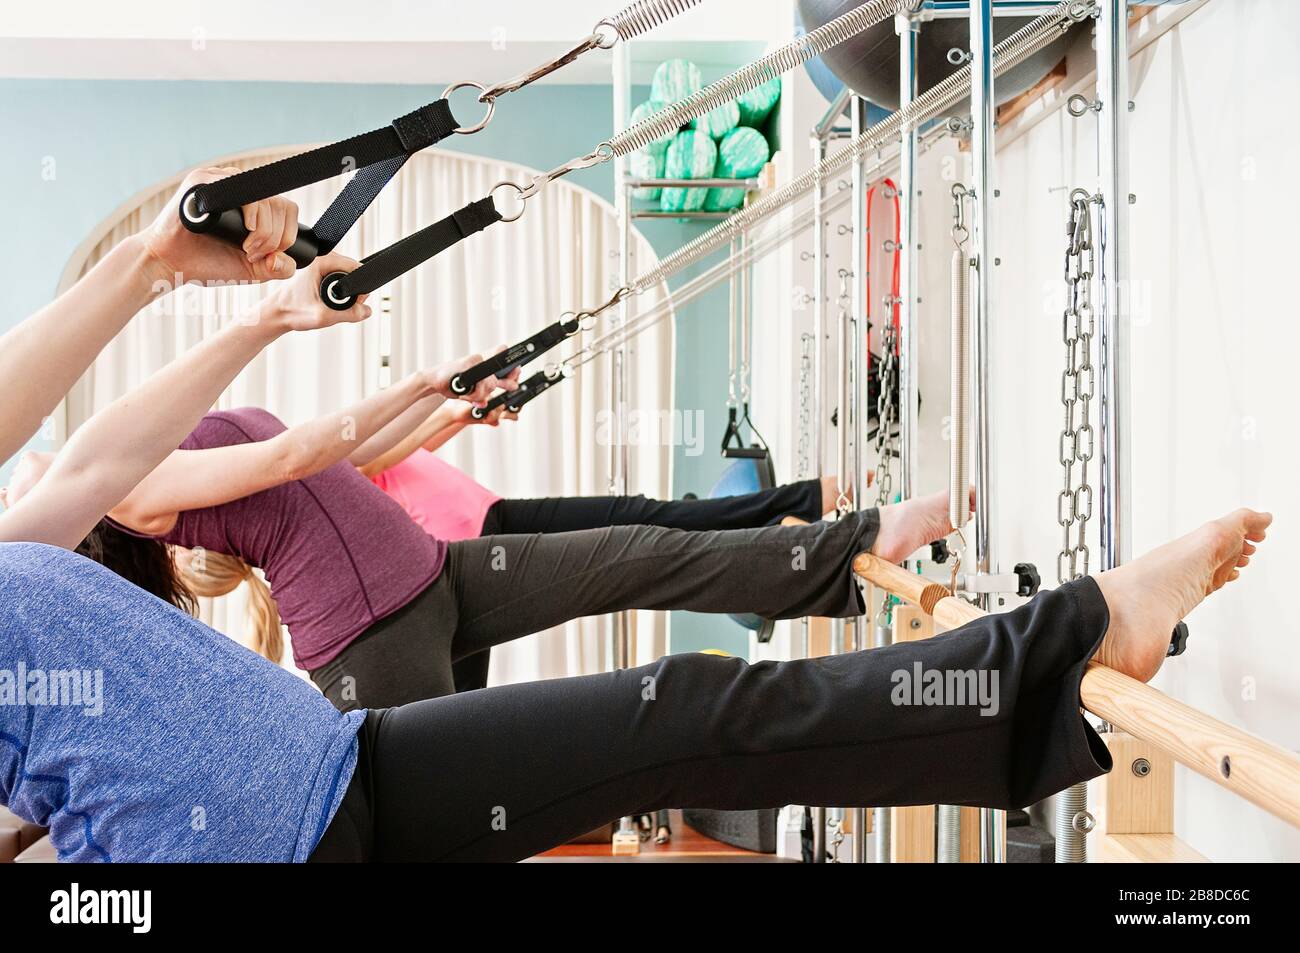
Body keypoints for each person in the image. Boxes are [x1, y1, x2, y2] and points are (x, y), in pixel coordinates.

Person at [0, 507, 1270, 861]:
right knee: (691, 714)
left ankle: (1082, 632)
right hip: (282, 830)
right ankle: (1081, 630)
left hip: (336, 764)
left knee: (686, 707)